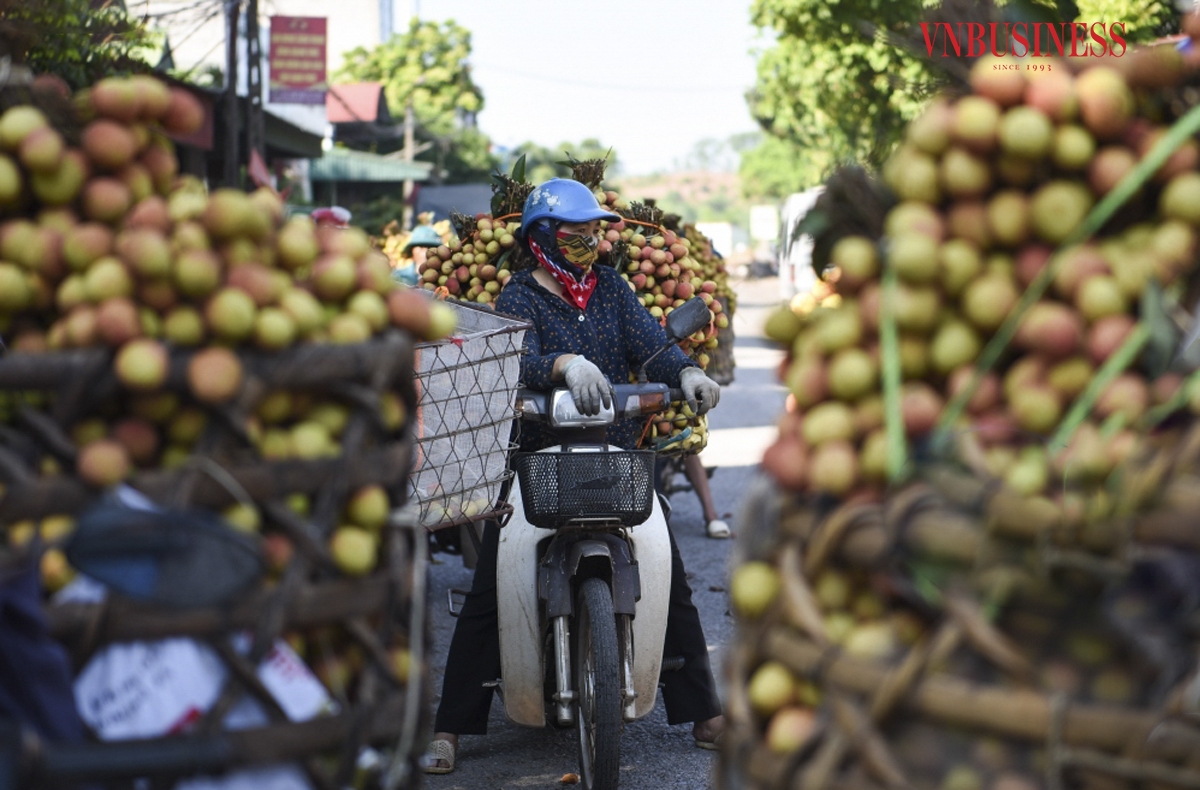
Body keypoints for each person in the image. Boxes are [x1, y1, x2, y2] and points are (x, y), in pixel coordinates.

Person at [423, 178, 726, 774]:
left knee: (669, 572)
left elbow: (652, 346)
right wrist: (565, 363)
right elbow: (515, 361)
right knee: (493, 584)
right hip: (540, 461)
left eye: (594, 232)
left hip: (614, 456)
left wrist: (686, 372)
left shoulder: (611, 288)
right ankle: (449, 727)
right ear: (542, 237)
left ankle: (705, 713)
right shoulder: (520, 294)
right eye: (576, 233)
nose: (590, 241)